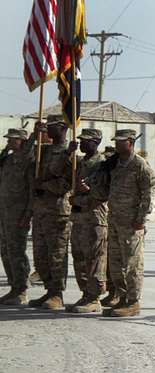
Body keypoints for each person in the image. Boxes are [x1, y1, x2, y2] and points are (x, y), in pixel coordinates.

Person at [87, 129, 155, 317]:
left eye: (121, 141)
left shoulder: (140, 166)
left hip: (132, 223)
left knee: (132, 264)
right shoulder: (114, 165)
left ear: (131, 142)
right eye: (115, 141)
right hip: (114, 220)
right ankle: (122, 297)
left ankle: (133, 302)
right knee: (116, 264)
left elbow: (148, 194)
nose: (117, 145)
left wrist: (140, 219)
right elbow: (106, 190)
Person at [57, 128, 108, 313]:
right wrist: (68, 152)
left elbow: (101, 194)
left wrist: (77, 198)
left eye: (86, 141)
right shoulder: (80, 161)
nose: (82, 143)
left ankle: (94, 298)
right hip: (78, 217)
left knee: (94, 258)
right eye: (81, 140)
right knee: (79, 257)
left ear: (96, 142)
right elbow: (58, 169)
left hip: (94, 218)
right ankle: (86, 293)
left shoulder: (102, 164)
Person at [28, 115, 72, 310]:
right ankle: (48, 289)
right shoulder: (43, 150)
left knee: (57, 255)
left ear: (62, 128)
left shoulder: (69, 153)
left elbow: (66, 183)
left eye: (50, 127)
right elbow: (24, 156)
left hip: (57, 212)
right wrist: (33, 135)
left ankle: (57, 294)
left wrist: (44, 186)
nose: (47, 131)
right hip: (40, 211)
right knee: (41, 255)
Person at [0, 128, 34, 306]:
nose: (10, 141)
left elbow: (31, 191)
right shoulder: (8, 159)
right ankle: (14, 287)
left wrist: (28, 214)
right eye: (8, 139)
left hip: (19, 214)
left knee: (17, 252)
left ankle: (21, 290)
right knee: (5, 251)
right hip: (4, 213)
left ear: (22, 140)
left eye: (14, 139)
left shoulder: (27, 160)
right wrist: (5, 151)